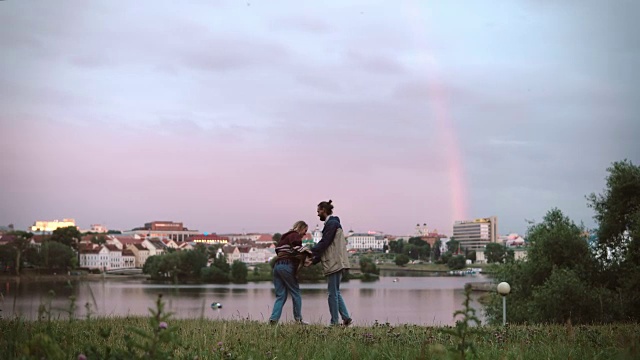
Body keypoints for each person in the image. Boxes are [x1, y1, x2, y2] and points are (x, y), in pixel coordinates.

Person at [311, 200, 353, 326]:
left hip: (334, 262)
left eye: (318, 211)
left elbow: (325, 243)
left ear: (324, 210)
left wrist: (310, 252)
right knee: (335, 292)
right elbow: (328, 245)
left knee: (332, 294)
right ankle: (346, 317)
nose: (318, 215)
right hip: (337, 262)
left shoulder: (331, 224)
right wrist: (314, 260)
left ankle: (334, 322)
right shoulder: (334, 224)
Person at [269, 220, 310, 325]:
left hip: (277, 266)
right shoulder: (294, 235)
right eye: (305, 231)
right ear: (300, 228)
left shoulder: (284, 237)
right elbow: (297, 248)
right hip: (286, 266)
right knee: (296, 293)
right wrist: (308, 252)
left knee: (281, 295)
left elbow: (279, 251)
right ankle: (298, 319)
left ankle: (273, 319)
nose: (305, 233)